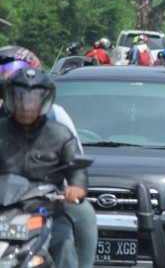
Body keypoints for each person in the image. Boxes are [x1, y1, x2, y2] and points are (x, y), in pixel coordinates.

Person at [0, 57, 97, 268]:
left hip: (46, 207)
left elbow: (75, 164)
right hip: (4, 207)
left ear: (45, 101)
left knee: (63, 243)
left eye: (33, 99)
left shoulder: (60, 133)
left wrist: (76, 187)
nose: (26, 105)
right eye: (20, 98)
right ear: (10, 98)